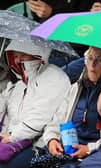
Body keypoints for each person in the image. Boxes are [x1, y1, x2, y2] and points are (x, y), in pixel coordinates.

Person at [41, 47, 101, 167]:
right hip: (67, 150)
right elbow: (57, 120)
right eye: (90, 58)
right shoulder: (76, 88)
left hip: (96, 155)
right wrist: (52, 139)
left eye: (99, 60)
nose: (92, 65)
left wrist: (89, 149)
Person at [0, 39, 71, 168]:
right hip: (14, 138)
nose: (17, 61)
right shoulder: (20, 84)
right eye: (15, 56)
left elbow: (38, 118)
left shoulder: (54, 77)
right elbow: (7, 114)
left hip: (39, 142)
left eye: (23, 55)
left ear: (37, 53)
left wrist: (12, 137)